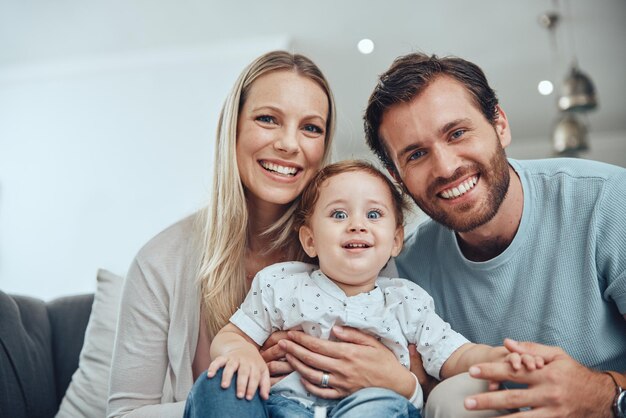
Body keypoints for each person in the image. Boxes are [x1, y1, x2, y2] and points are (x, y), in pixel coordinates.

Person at [274, 52, 626, 418]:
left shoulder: (609, 202)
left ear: (499, 124)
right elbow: (423, 388)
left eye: (457, 133)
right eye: (416, 154)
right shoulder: (403, 269)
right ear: (398, 177)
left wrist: (602, 395)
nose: (446, 167)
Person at [187, 160, 544, 418]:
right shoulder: (281, 283)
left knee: (383, 406)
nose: (357, 225)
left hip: (369, 406)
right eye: (339, 215)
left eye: (373, 215)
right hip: (281, 406)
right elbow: (232, 336)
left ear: (395, 240)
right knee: (217, 383)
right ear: (310, 239)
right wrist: (241, 353)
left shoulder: (408, 301)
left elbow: (456, 356)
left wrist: (500, 358)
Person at [106, 50, 337, 417]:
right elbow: (124, 414)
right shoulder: (161, 261)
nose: (290, 144)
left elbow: (399, 378)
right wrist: (234, 390)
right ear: (233, 127)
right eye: (267, 119)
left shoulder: (356, 246)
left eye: (311, 127)